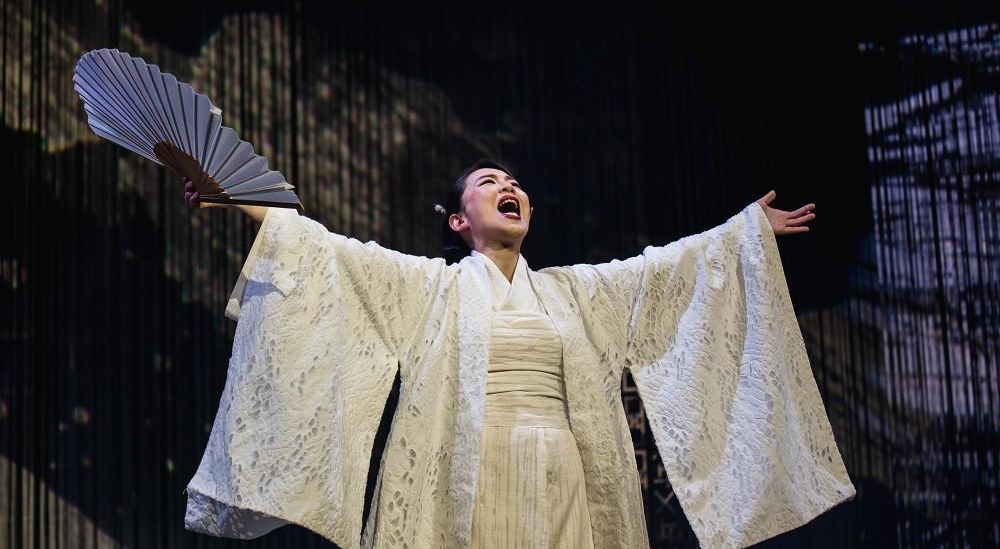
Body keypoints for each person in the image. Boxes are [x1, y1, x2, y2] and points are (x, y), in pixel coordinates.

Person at [180, 160, 855, 549]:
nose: (510, 186)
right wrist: (236, 197)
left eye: (515, 182)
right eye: (489, 181)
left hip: (565, 474)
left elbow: (662, 272)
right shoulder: (432, 287)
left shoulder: (574, 292)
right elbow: (328, 253)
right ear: (459, 220)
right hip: (470, 469)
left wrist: (743, 234)